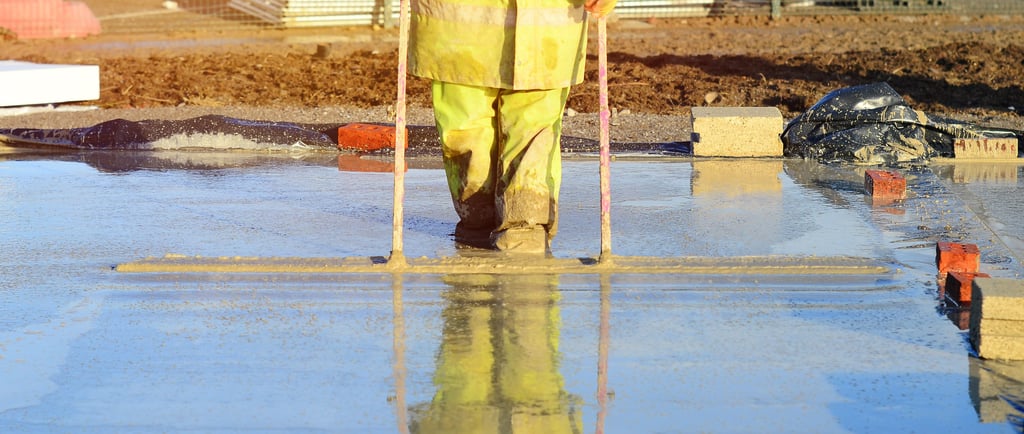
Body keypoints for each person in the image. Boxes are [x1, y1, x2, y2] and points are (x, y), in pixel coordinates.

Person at [409, 0, 617, 254]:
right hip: (462, 22)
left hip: (539, 21)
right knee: (469, 128)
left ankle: (524, 227)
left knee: (529, 126)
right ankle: (483, 222)